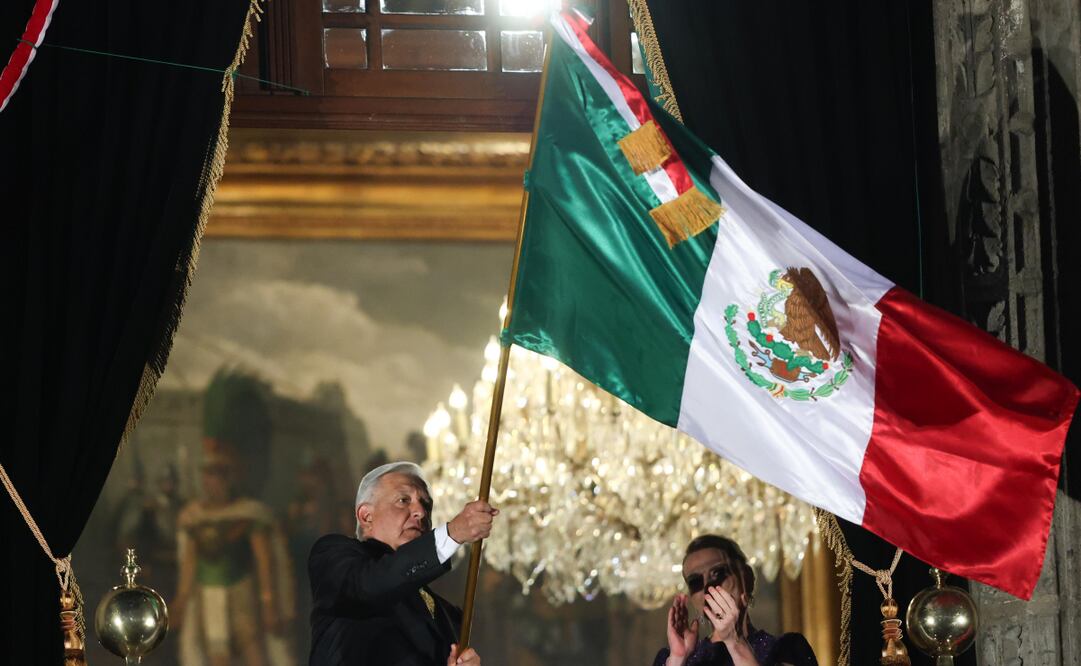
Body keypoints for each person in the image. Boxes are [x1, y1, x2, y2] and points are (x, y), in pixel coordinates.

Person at [308, 462, 498, 666]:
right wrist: (452, 533)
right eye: (403, 500)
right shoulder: (332, 556)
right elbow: (372, 585)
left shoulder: (449, 616)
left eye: (426, 504)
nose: (420, 512)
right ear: (366, 516)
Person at [653, 535, 817, 666]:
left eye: (718, 573)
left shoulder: (787, 648)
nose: (708, 586)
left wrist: (735, 643)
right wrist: (678, 659)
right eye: (695, 582)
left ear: (747, 578)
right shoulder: (670, 658)